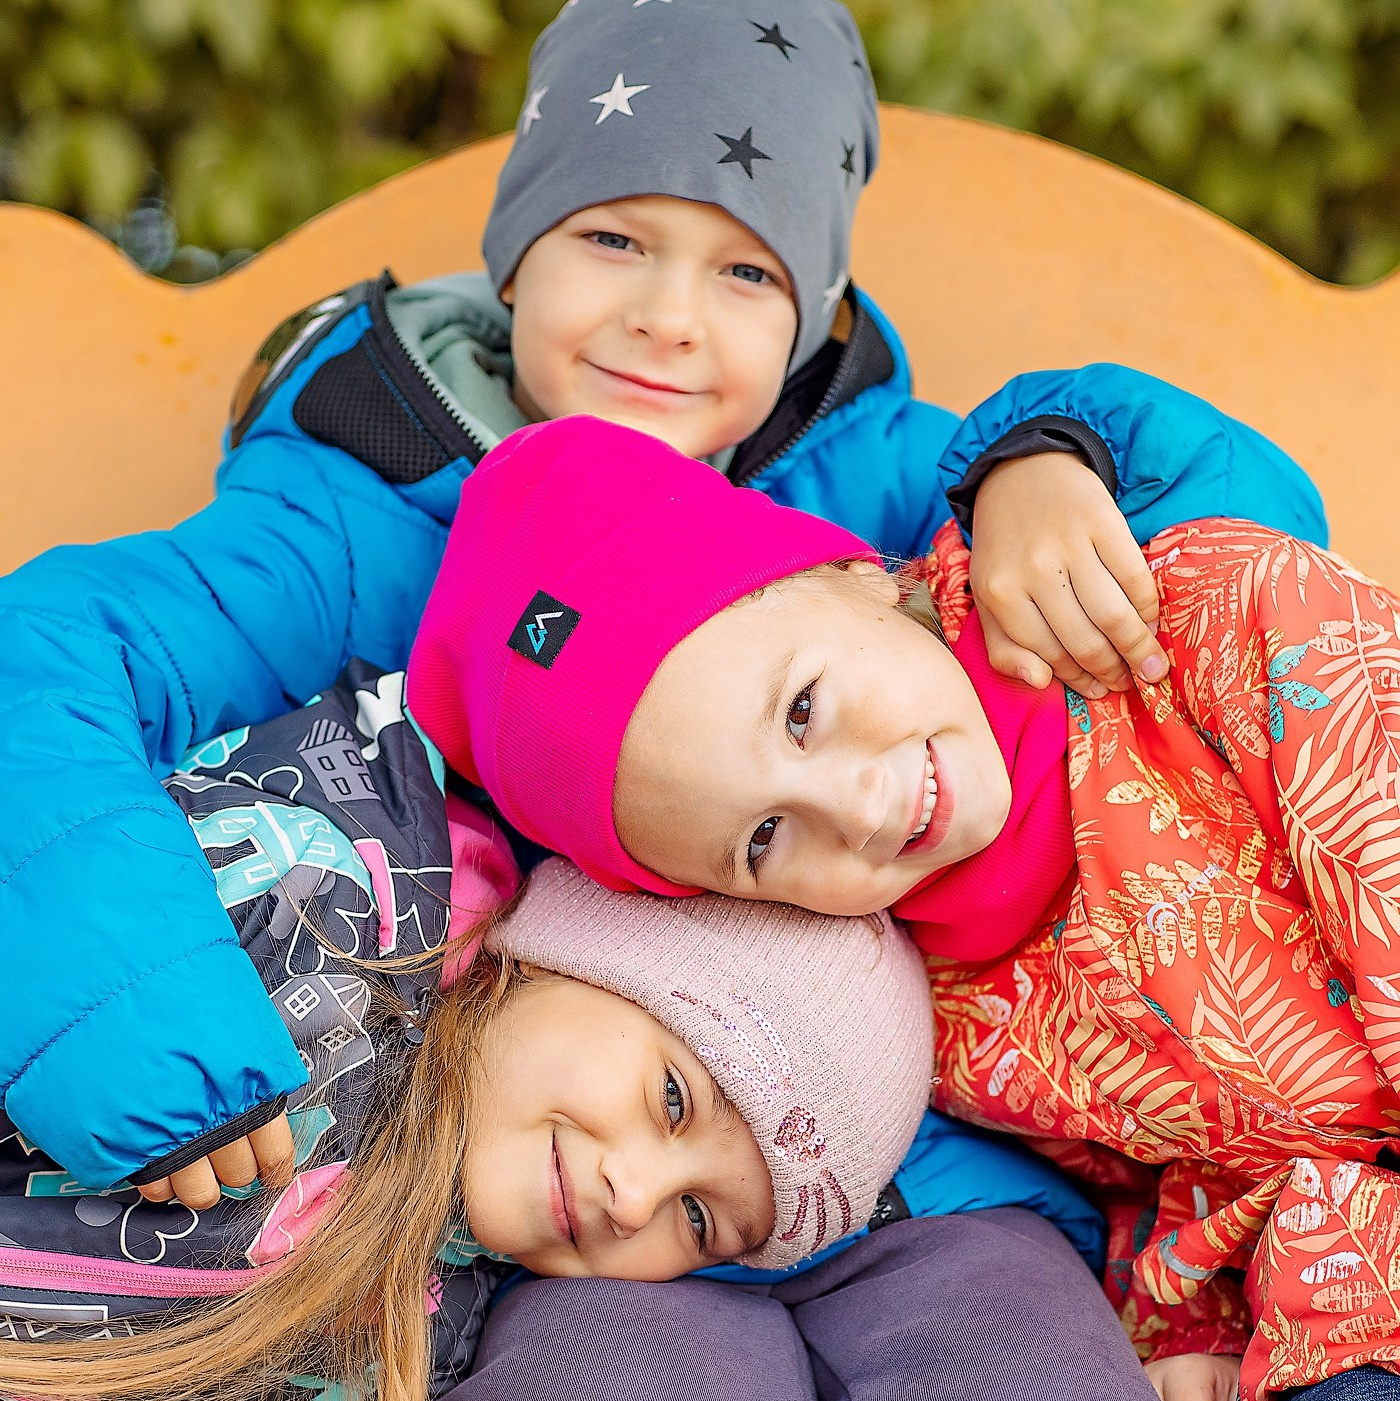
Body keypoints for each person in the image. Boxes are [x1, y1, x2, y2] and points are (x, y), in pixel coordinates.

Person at [411, 413, 1400, 1401]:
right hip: (1336, 1291)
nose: (856, 805)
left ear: (846, 577)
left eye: (803, 710)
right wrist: (1189, 1331)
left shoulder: (1197, 633)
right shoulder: (937, 1023)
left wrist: (1035, 457)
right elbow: (1173, 1171)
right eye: (762, 841)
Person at [0, 658, 1123, 1401]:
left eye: (698, 1220)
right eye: (674, 1098)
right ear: (560, 962)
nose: (631, 1198)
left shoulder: (445, 1334)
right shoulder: (326, 901)